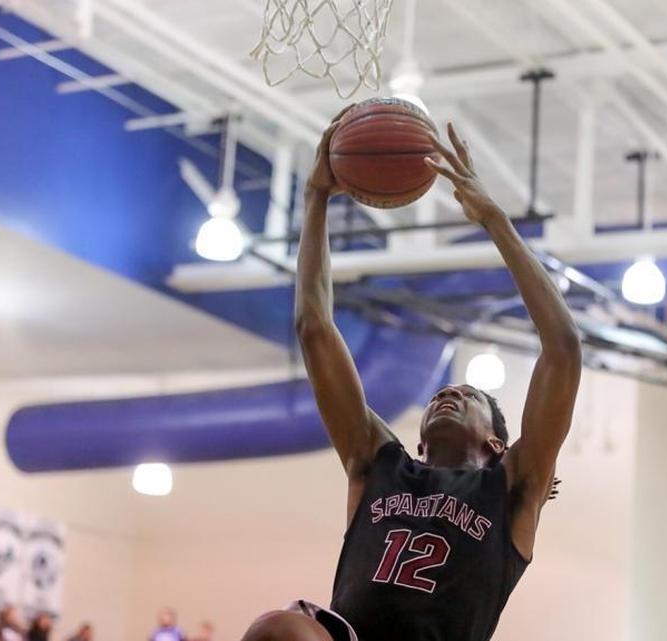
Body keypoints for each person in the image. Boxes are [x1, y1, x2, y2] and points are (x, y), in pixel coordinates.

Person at [240, 113, 581, 641]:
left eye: (467, 396)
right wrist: (316, 198)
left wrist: (494, 220)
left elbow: (562, 348)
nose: (448, 392)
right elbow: (314, 327)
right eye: (445, 391)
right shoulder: (376, 464)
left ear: (495, 440)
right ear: (418, 440)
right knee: (279, 630)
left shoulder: (512, 485)